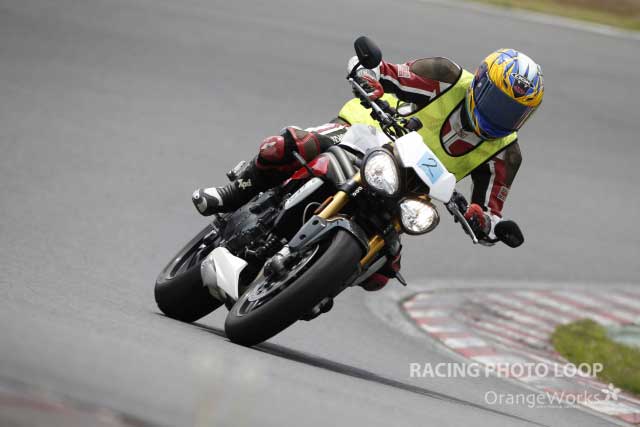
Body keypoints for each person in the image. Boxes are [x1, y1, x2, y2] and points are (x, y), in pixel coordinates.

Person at [191, 48, 544, 290]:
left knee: (381, 275)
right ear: (480, 82)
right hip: (365, 135)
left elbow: (490, 212)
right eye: (497, 102)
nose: (501, 116)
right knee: (288, 145)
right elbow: (385, 71)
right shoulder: (445, 76)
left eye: (514, 112)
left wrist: (484, 222)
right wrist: (369, 78)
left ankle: (314, 288)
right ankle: (235, 192)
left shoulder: (507, 153)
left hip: (407, 190)